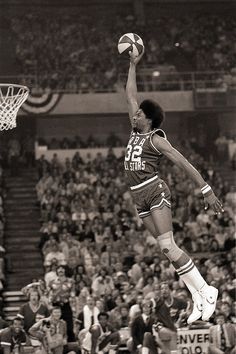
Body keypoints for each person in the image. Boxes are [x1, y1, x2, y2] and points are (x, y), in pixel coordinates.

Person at [124, 49, 224, 324]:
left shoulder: (156, 139)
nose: (134, 116)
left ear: (149, 120)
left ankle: (206, 289)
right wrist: (132, 65)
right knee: (167, 249)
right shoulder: (135, 130)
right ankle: (197, 296)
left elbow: (183, 162)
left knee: (168, 245)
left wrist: (206, 189)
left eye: (139, 115)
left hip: (154, 191)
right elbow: (131, 95)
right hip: (138, 198)